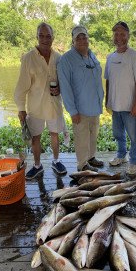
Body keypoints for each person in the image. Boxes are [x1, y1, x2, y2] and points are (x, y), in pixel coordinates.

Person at [14, 22, 67, 180]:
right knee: (35, 137)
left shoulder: (59, 58)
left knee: (55, 134)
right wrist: (20, 108)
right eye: (41, 36)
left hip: (54, 105)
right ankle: (37, 166)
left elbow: (64, 81)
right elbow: (21, 86)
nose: (45, 39)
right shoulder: (28, 58)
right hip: (35, 106)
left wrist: (60, 88)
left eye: (48, 36)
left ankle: (56, 161)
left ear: (53, 37)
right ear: (37, 37)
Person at [57, 25, 104, 172]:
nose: (83, 40)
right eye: (79, 38)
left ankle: (91, 158)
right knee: (81, 138)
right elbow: (65, 87)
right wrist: (72, 111)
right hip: (80, 108)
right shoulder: (66, 60)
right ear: (73, 40)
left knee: (93, 135)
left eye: (84, 37)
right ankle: (83, 165)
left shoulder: (92, 55)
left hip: (95, 106)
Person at [104, 21, 136, 175]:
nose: (119, 37)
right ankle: (121, 156)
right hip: (115, 105)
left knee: (134, 136)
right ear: (113, 37)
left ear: (128, 35)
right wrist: (107, 101)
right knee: (117, 133)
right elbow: (108, 81)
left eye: (122, 34)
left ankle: (134, 161)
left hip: (130, 106)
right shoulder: (110, 57)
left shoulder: (135, 56)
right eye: (116, 34)